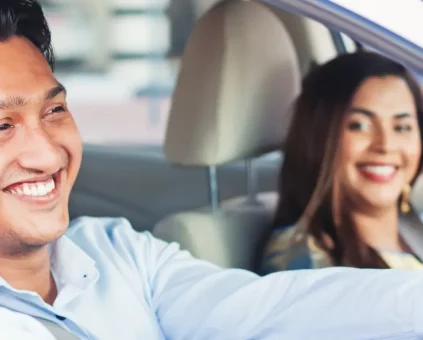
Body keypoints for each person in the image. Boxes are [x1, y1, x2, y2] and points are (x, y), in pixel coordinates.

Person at [2, 2, 423, 339]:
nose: (46, 155)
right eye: (3, 125)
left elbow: (269, 311)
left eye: (54, 109)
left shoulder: (119, 252)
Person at [261, 52, 423, 274]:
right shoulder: (307, 260)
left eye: (402, 127)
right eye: (359, 125)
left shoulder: (412, 226)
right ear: (320, 137)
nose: (385, 145)